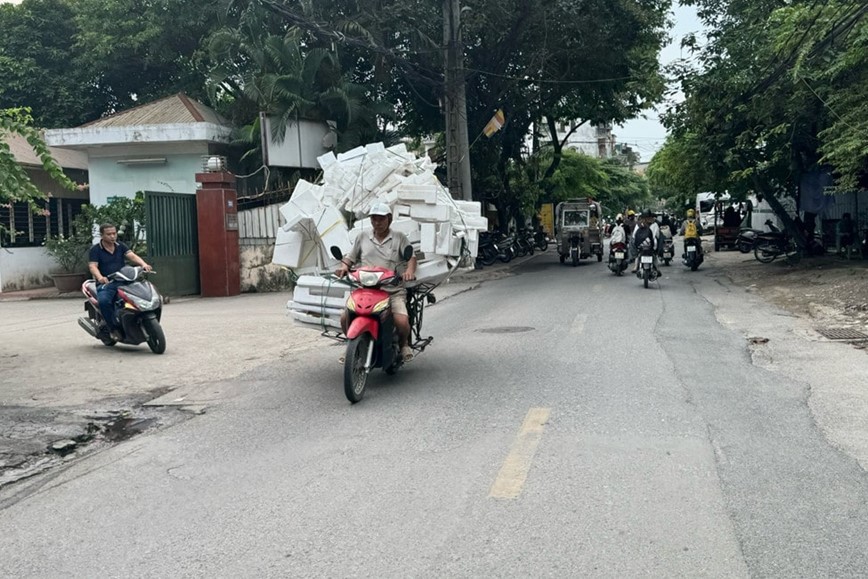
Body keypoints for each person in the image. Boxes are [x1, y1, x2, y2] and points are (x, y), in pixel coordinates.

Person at [336, 202, 418, 362]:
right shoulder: (362, 236)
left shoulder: (399, 237)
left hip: (391, 290)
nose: (377, 223)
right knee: (345, 318)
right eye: (374, 219)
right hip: (366, 290)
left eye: (381, 219)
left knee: (401, 321)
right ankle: (351, 347)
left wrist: (409, 271)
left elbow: (412, 258)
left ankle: (403, 345)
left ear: (389, 219)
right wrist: (343, 267)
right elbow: (350, 258)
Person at [88, 223, 152, 340]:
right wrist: (100, 277)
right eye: (109, 234)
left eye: (114, 233)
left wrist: (143, 264)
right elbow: (93, 266)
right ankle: (113, 329)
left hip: (124, 280)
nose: (112, 236)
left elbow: (132, 256)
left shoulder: (120, 246)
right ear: (102, 235)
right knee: (104, 302)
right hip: (107, 283)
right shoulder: (95, 250)